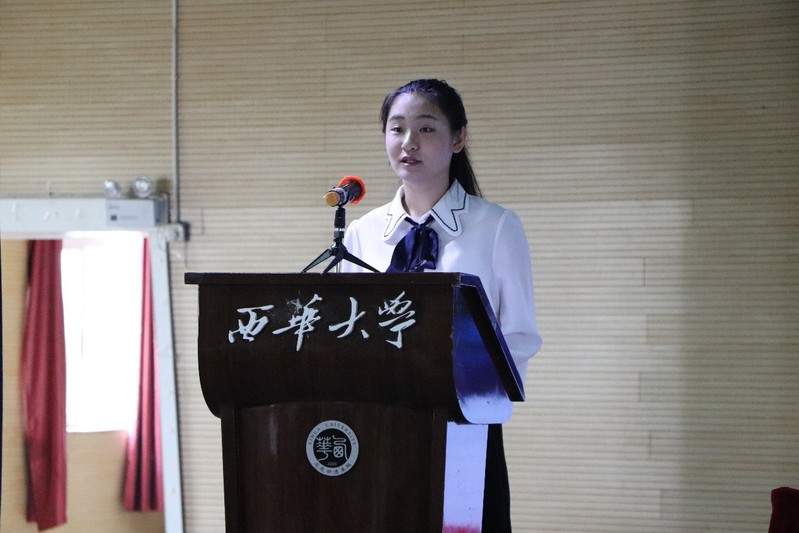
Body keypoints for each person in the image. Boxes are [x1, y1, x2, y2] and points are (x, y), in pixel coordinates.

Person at [341, 78, 543, 532]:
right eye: (397, 128)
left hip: (464, 426)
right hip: (377, 426)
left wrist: (463, 394)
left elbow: (519, 335)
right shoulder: (361, 233)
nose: (408, 142)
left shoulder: (496, 226)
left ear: (458, 139)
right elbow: (344, 333)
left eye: (426, 128)